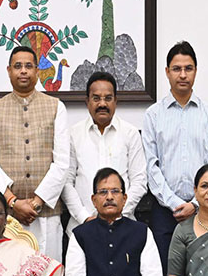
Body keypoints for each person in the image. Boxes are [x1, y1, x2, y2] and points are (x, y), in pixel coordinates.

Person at [142, 42, 208, 276]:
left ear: (196, 72)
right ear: (167, 72)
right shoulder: (153, 115)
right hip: (163, 211)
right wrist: (172, 203)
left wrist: (194, 203)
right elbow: (150, 165)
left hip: (203, 211)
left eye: (188, 68)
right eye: (177, 69)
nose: (183, 75)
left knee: (200, 275)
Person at [0, 44, 71, 255]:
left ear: (37, 71)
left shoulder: (56, 106)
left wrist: (37, 202)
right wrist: (13, 202)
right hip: (8, 216)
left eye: (28, 66)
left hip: (48, 213)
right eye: (18, 66)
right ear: (9, 71)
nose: (23, 71)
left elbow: (61, 163)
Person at [62, 71, 147, 227]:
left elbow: (139, 181)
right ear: (87, 102)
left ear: (116, 101)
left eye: (108, 98)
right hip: (82, 227)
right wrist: (84, 217)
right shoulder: (73, 134)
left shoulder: (130, 133)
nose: (102, 104)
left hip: (124, 225)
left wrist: (119, 213)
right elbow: (66, 182)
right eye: (96, 98)